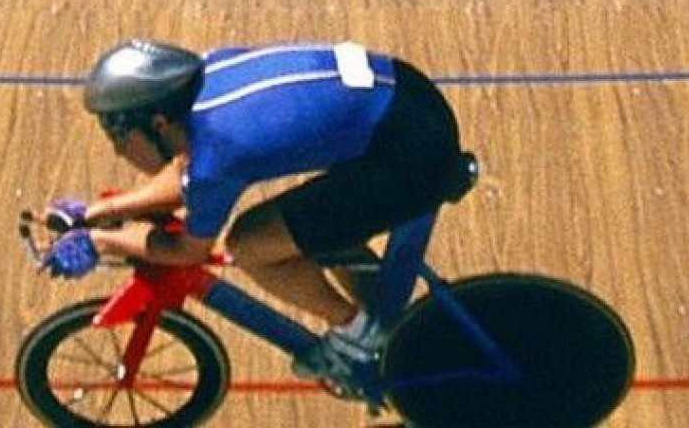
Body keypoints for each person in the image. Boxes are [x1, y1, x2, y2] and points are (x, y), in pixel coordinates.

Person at [36, 37, 471, 394]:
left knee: (252, 244)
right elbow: (183, 174)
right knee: (306, 227)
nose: (116, 148)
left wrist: (101, 241)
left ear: (158, 123)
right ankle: (388, 325)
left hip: (410, 157)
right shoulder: (207, 75)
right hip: (408, 102)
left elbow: (188, 249)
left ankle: (358, 334)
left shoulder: (217, 156)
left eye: (117, 133)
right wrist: (100, 211)